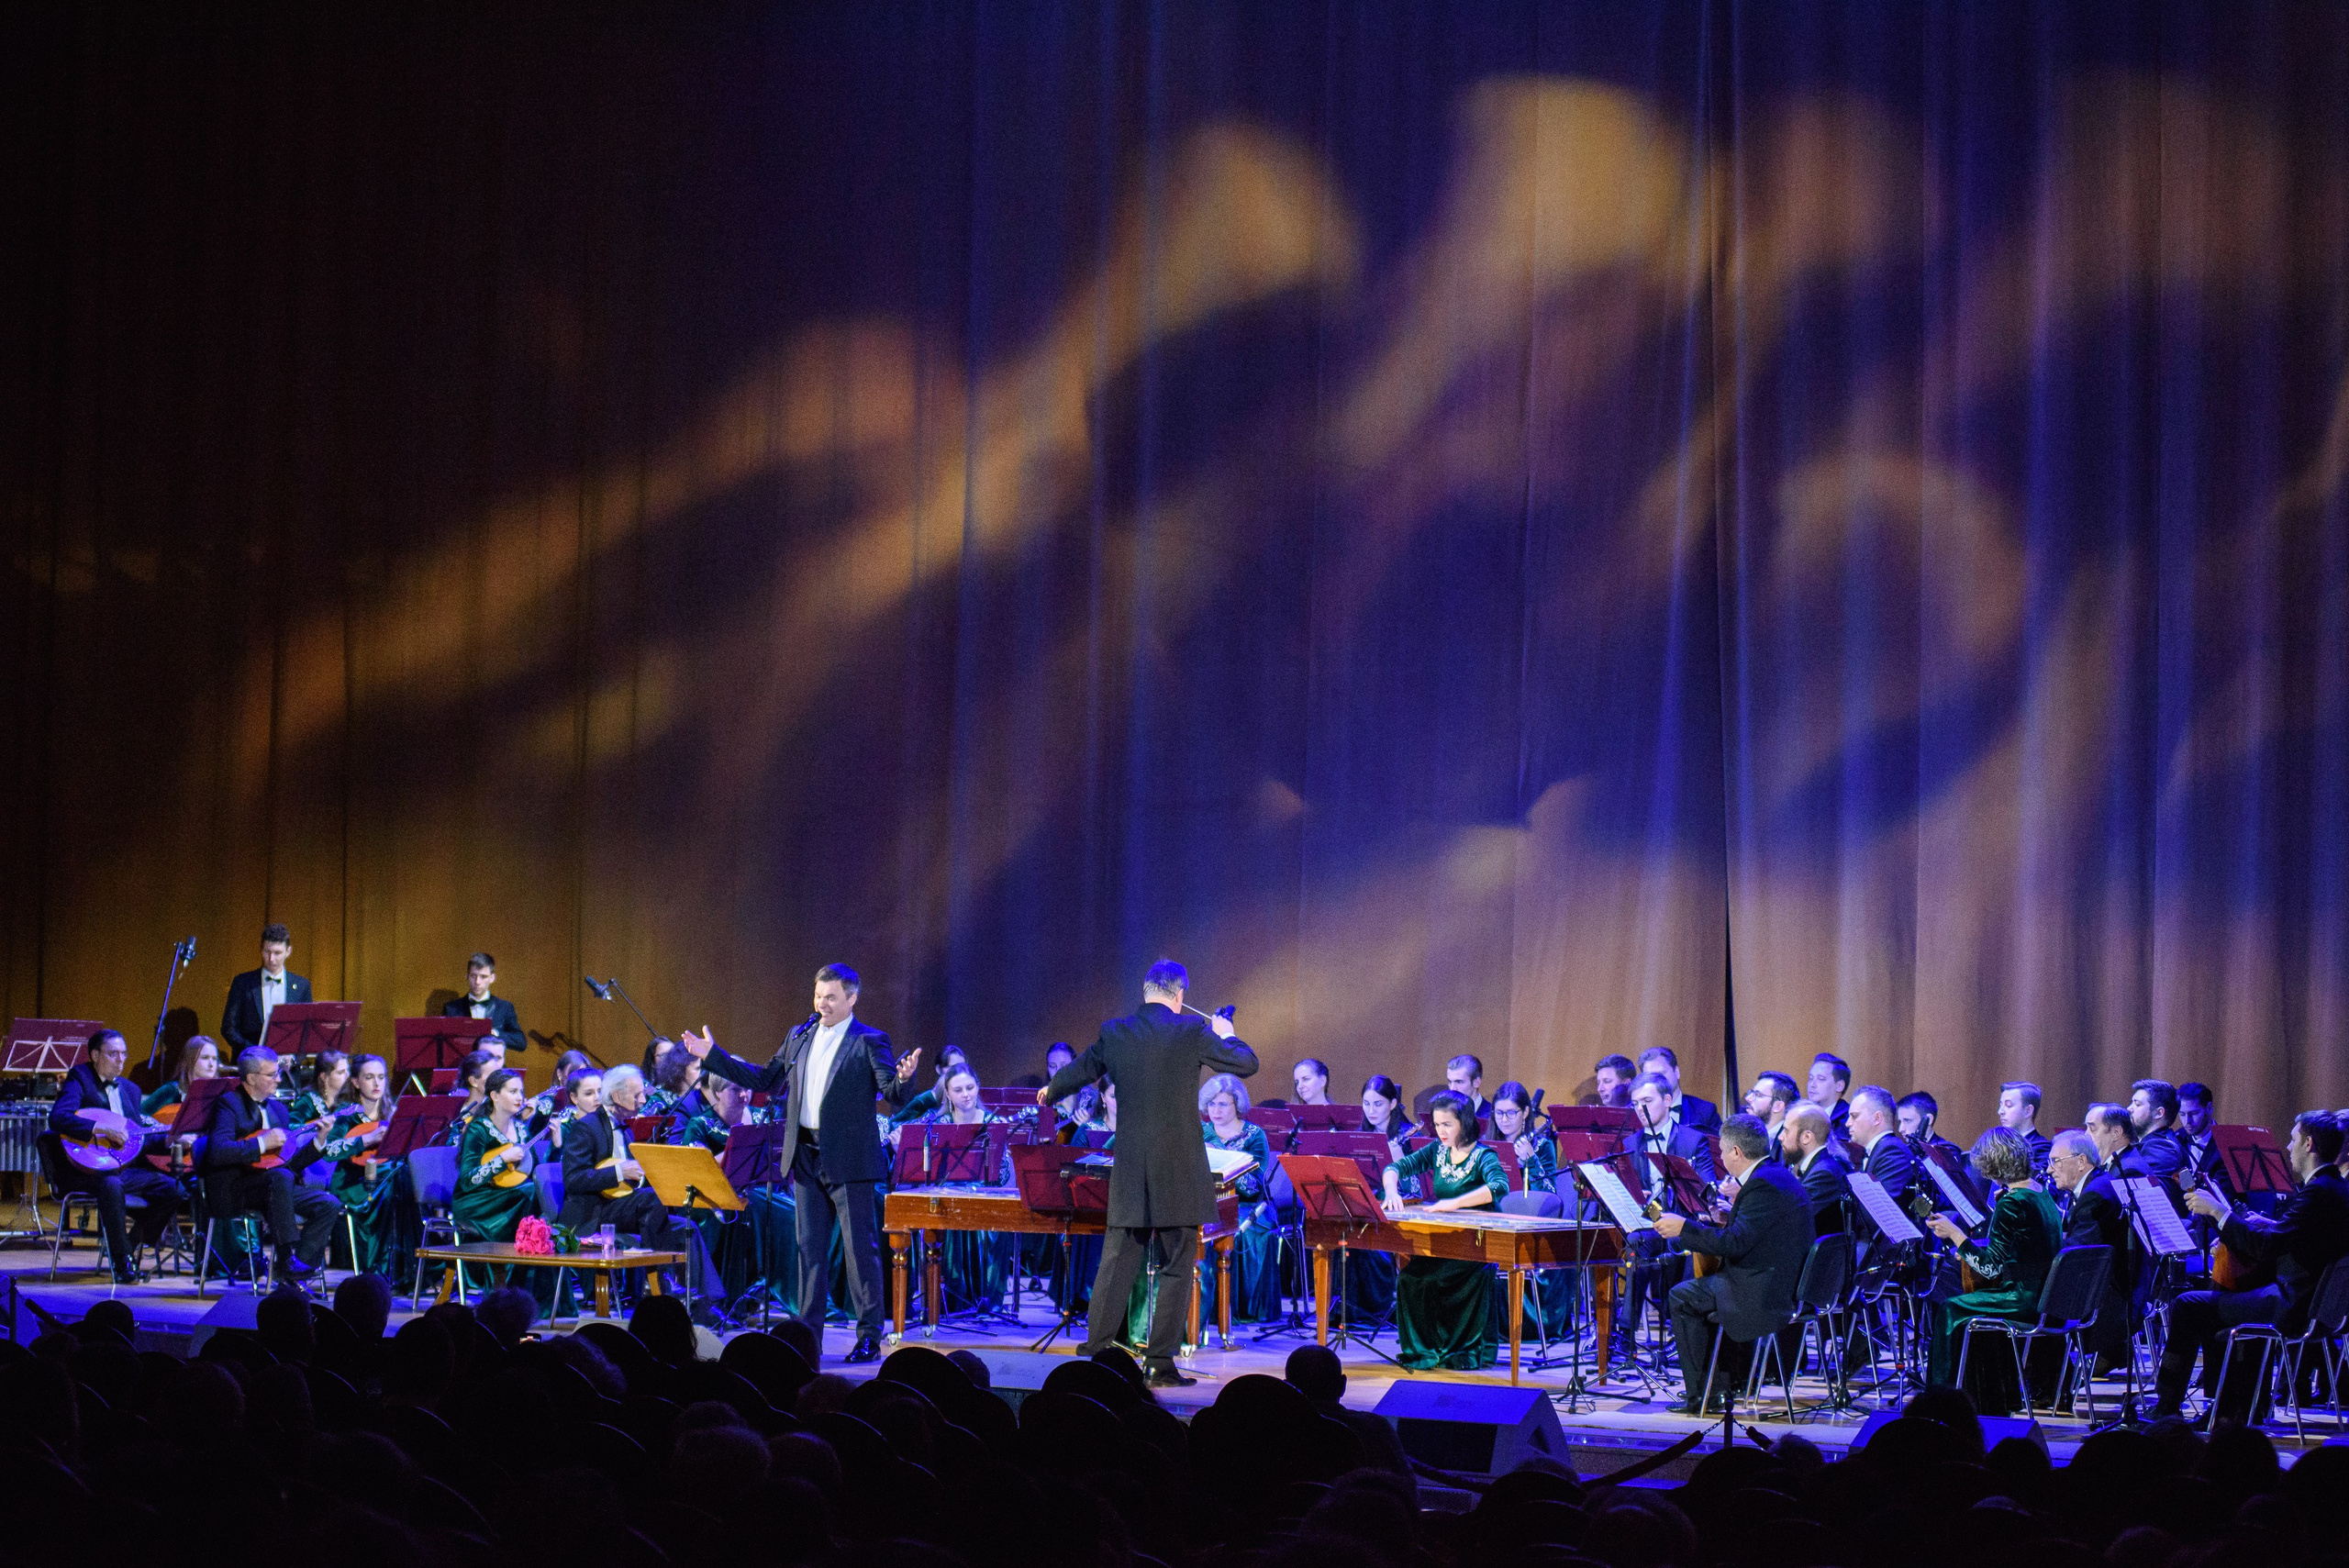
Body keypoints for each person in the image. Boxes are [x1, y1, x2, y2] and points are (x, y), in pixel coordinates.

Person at [683, 962, 920, 1362]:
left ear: (852, 999)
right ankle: (809, 1336)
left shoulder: (869, 1040)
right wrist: (714, 1057)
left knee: (859, 1250)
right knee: (808, 1249)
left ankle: (868, 1336)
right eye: (818, 995)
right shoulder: (800, 1034)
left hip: (849, 1161)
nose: (821, 1003)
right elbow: (766, 1080)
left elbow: (893, 1095)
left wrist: (907, 1078)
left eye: (830, 997)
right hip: (806, 1155)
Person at [1039, 959, 1257, 1388]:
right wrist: (1226, 1034)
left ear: (1144, 992)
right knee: (1177, 1265)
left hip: (1132, 1167)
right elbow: (1246, 1064)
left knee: (1117, 1262)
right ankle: (1159, 1363)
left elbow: (1079, 1071)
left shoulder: (1116, 1032)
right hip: (1180, 1167)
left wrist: (1051, 1092)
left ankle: (1093, 1356)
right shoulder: (1194, 1031)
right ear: (1180, 996)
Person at [2163, 1110, 2349, 1422]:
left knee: (2188, 1305)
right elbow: (2296, 1236)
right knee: (2221, 1300)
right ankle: (2241, 1405)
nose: (2287, 1148)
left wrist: (2219, 1212)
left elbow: (2264, 1248)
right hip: (2321, 1308)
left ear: (2309, 1144)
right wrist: (2270, 1223)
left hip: (2293, 1307)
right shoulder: (2337, 1189)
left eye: (2292, 1140)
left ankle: (2169, 1409)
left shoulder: (2317, 1192)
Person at [1655, 1113, 1811, 1414]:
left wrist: (1684, 1229)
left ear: (1736, 1153)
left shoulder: (1760, 1186)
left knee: (1681, 1297)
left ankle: (1704, 1396)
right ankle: (1719, 1388)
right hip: (1777, 1280)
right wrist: (1729, 1219)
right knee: (1701, 1289)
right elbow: (1755, 1233)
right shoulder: (1774, 1175)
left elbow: (1735, 1244)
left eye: (1723, 1151)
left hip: (1765, 1291)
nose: (1722, 1157)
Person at [554, 1065, 725, 1326]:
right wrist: (618, 1172)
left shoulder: (627, 1129)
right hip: (592, 1214)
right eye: (636, 1095)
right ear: (617, 1096)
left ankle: (705, 1302)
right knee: (652, 1198)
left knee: (685, 1225)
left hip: (621, 1208)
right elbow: (573, 1180)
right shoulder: (585, 1128)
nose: (643, 1100)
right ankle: (661, 1286)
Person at [1923, 1128, 2064, 1414]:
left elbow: (1989, 1267)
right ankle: (1992, 1397)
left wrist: (1955, 1234)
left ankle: (1940, 1400)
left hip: (2023, 1299)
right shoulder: (2040, 1193)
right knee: (1970, 1304)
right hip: (2047, 1298)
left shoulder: (2013, 1202)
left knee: (1950, 1308)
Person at [1381, 1090, 1508, 1370]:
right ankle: (1423, 1351)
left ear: (1464, 1122)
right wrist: (1391, 1191)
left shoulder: (1482, 1155)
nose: (1441, 1131)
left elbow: (1499, 1186)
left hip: (1476, 1245)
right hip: (1445, 1240)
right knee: (1410, 1278)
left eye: (1447, 1124)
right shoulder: (1437, 1151)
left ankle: (1460, 1350)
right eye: (1437, 1125)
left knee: (1430, 1280)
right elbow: (1395, 1167)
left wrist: (1453, 1203)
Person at [49, 1029, 184, 1284]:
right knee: (111, 1185)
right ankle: (122, 1265)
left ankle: (129, 1247)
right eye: (113, 1054)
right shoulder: (80, 1078)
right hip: (86, 1170)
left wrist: (169, 1139)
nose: (121, 1060)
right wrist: (99, 1128)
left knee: (172, 1190)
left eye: (124, 1054)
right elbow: (58, 1118)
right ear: (95, 1055)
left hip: (121, 1168)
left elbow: (137, 1139)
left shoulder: (130, 1090)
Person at [200, 1045, 343, 1283]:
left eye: (277, 1073)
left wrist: (319, 1141)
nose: (278, 1079)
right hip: (236, 1189)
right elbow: (217, 1152)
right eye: (271, 1075)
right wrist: (262, 1144)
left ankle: (296, 1269)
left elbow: (289, 1164)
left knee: (328, 1203)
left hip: (275, 1188)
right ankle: (286, 1257)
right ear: (251, 1078)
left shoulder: (278, 1109)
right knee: (281, 1178)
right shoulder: (228, 1104)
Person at [2048, 1128, 2136, 1369]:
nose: (2049, 1170)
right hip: (2116, 1287)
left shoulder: (2094, 1195)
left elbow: (2076, 1254)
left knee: (2037, 1292)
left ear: (2081, 1162)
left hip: (2110, 1298)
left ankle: (2052, 1375)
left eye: (2055, 1161)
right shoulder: (2100, 1183)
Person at [1200, 1073, 1279, 1323]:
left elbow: (1253, 1184)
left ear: (1237, 1105)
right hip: (1206, 1201)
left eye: (1222, 1104)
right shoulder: (1200, 1131)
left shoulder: (1255, 1134)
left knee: (1241, 1230)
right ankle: (1202, 1307)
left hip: (1248, 1204)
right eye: (1211, 1104)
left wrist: (1221, 1157)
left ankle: (1240, 1308)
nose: (1216, 1110)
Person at [321, 1052, 399, 1275]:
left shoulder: (393, 1115)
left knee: (402, 1184)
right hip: (353, 1183)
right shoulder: (345, 1116)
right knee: (388, 1189)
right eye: (369, 1077)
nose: (377, 1083)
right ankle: (379, 1268)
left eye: (382, 1077)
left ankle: (404, 1270)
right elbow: (328, 1151)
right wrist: (366, 1140)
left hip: (386, 1177)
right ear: (355, 1082)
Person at [452, 1068, 539, 1243]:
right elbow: (468, 1181)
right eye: (513, 1092)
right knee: (530, 1192)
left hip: (510, 1195)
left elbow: (536, 1170)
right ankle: (523, 1252)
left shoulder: (521, 1129)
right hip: (478, 1201)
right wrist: (502, 1159)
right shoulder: (479, 1129)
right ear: (495, 1096)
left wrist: (557, 1145)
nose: (519, 1097)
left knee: (540, 1190)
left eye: (521, 1092)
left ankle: (532, 1251)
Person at [222, 923, 312, 1056]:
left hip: (287, 1069)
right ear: (261, 949)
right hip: (251, 1065)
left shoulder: (302, 985)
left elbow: (307, 1030)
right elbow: (229, 1028)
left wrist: (294, 1058)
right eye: (267, 952)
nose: (271, 959)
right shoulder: (242, 983)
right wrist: (254, 1052)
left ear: (288, 951)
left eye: (277, 953)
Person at [1845, 1086, 1916, 1247]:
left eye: (1854, 1116)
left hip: (1885, 1251)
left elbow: (1881, 1213)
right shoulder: (1882, 1149)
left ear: (1877, 1118)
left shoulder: (1892, 1151)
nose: (1848, 1123)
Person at [1778, 1102, 1850, 1234]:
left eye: (1786, 1131)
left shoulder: (1824, 1173)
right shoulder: (1816, 1167)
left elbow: (1790, 1217)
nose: (1780, 1137)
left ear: (1806, 1137)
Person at [440, 952, 524, 1052]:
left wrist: (496, 1034)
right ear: (467, 976)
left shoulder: (505, 1007)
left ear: (492, 978)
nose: (477, 982)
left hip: (494, 1066)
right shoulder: (451, 1008)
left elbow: (521, 1042)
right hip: (462, 1066)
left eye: (483, 977)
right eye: (473, 976)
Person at [1489, 1081, 1556, 1192]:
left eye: (1511, 1113)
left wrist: (1531, 1160)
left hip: (1526, 1207)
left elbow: (1550, 1195)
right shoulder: (1485, 1142)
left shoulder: (1543, 1145)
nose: (1504, 1120)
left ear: (1525, 1112)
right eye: (1499, 1113)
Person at [1639, 1046, 1720, 1134]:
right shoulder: (1635, 1114)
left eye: (1661, 1073)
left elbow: (1721, 1146)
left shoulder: (1705, 1111)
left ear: (1677, 1072)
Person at [142, 1034, 221, 1119]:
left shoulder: (221, 1094)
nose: (211, 1064)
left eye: (214, 1058)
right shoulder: (170, 1091)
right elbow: (138, 1117)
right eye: (205, 1058)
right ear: (189, 1060)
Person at [440, 1048, 502, 1145]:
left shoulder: (497, 1108)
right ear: (474, 1081)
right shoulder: (451, 1113)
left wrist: (525, 1119)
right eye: (492, 1075)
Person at [2130, 1080, 2188, 1177]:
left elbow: (2153, 1191)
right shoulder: (2166, 1141)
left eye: (2138, 1104)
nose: (2129, 1108)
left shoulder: (2159, 1147)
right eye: (2132, 1103)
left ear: (2158, 1113)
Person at [530, 1049, 595, 1138]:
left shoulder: (593, 1101)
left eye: (583, 1075)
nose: (578, 1080)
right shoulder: (546, 1103)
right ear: (559, 1073)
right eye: (573, 1074)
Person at [1997, 1081, 2052, 1174]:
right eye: (2001, 1105)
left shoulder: (2042, 1149)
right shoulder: (2000, 1145)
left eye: (2008, 1105)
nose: (2000, 1111)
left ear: (2028, 1111)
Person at [2176, 1083, 2223, 1189]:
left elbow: (2224, 1194)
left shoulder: (2225, 1145)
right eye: (2182, 1114)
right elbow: (2186, 1188)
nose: (2187, 1121)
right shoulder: (2177, 1139)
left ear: (2209, 1108)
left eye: (2193, 1114)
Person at [1743, 1073, 1798, 1149]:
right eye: (1751, 1093)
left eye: (1758, 1095)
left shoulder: (1787, 1145)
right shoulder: (1748, 1134)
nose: (1748, 1098)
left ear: (1778, 1106)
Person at [1442, 1055, 1493, 1123]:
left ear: (1476, 1083)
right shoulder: (1443, 1114)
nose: (1452, 1089)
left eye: (1459, 1082)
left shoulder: (1493, 1117)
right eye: (1450, 1082)